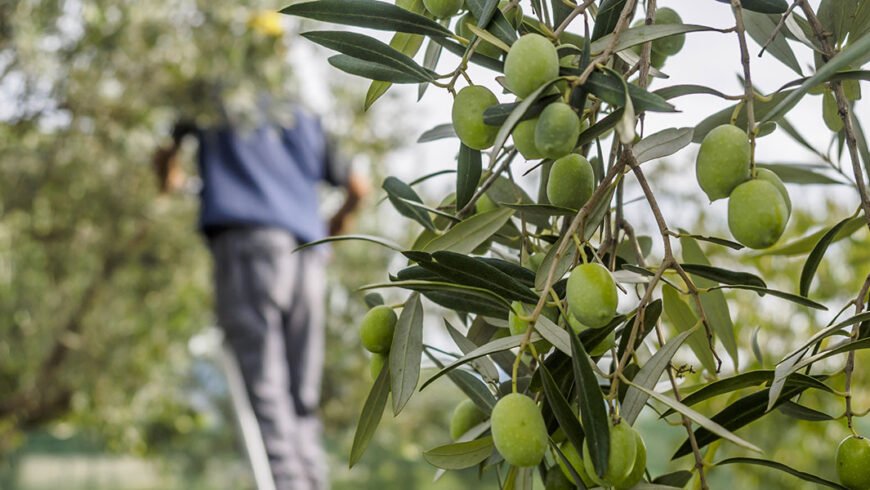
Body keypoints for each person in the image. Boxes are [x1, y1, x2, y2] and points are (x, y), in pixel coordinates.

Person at [153, 101, 368, 490]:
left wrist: (168, 177)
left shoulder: (214, 94)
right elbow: (358, 188)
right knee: (301, 398)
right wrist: (331, 229)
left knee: (267, 393)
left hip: (249, 246)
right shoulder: (303, 113)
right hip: (307, 255)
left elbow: (167, 150)